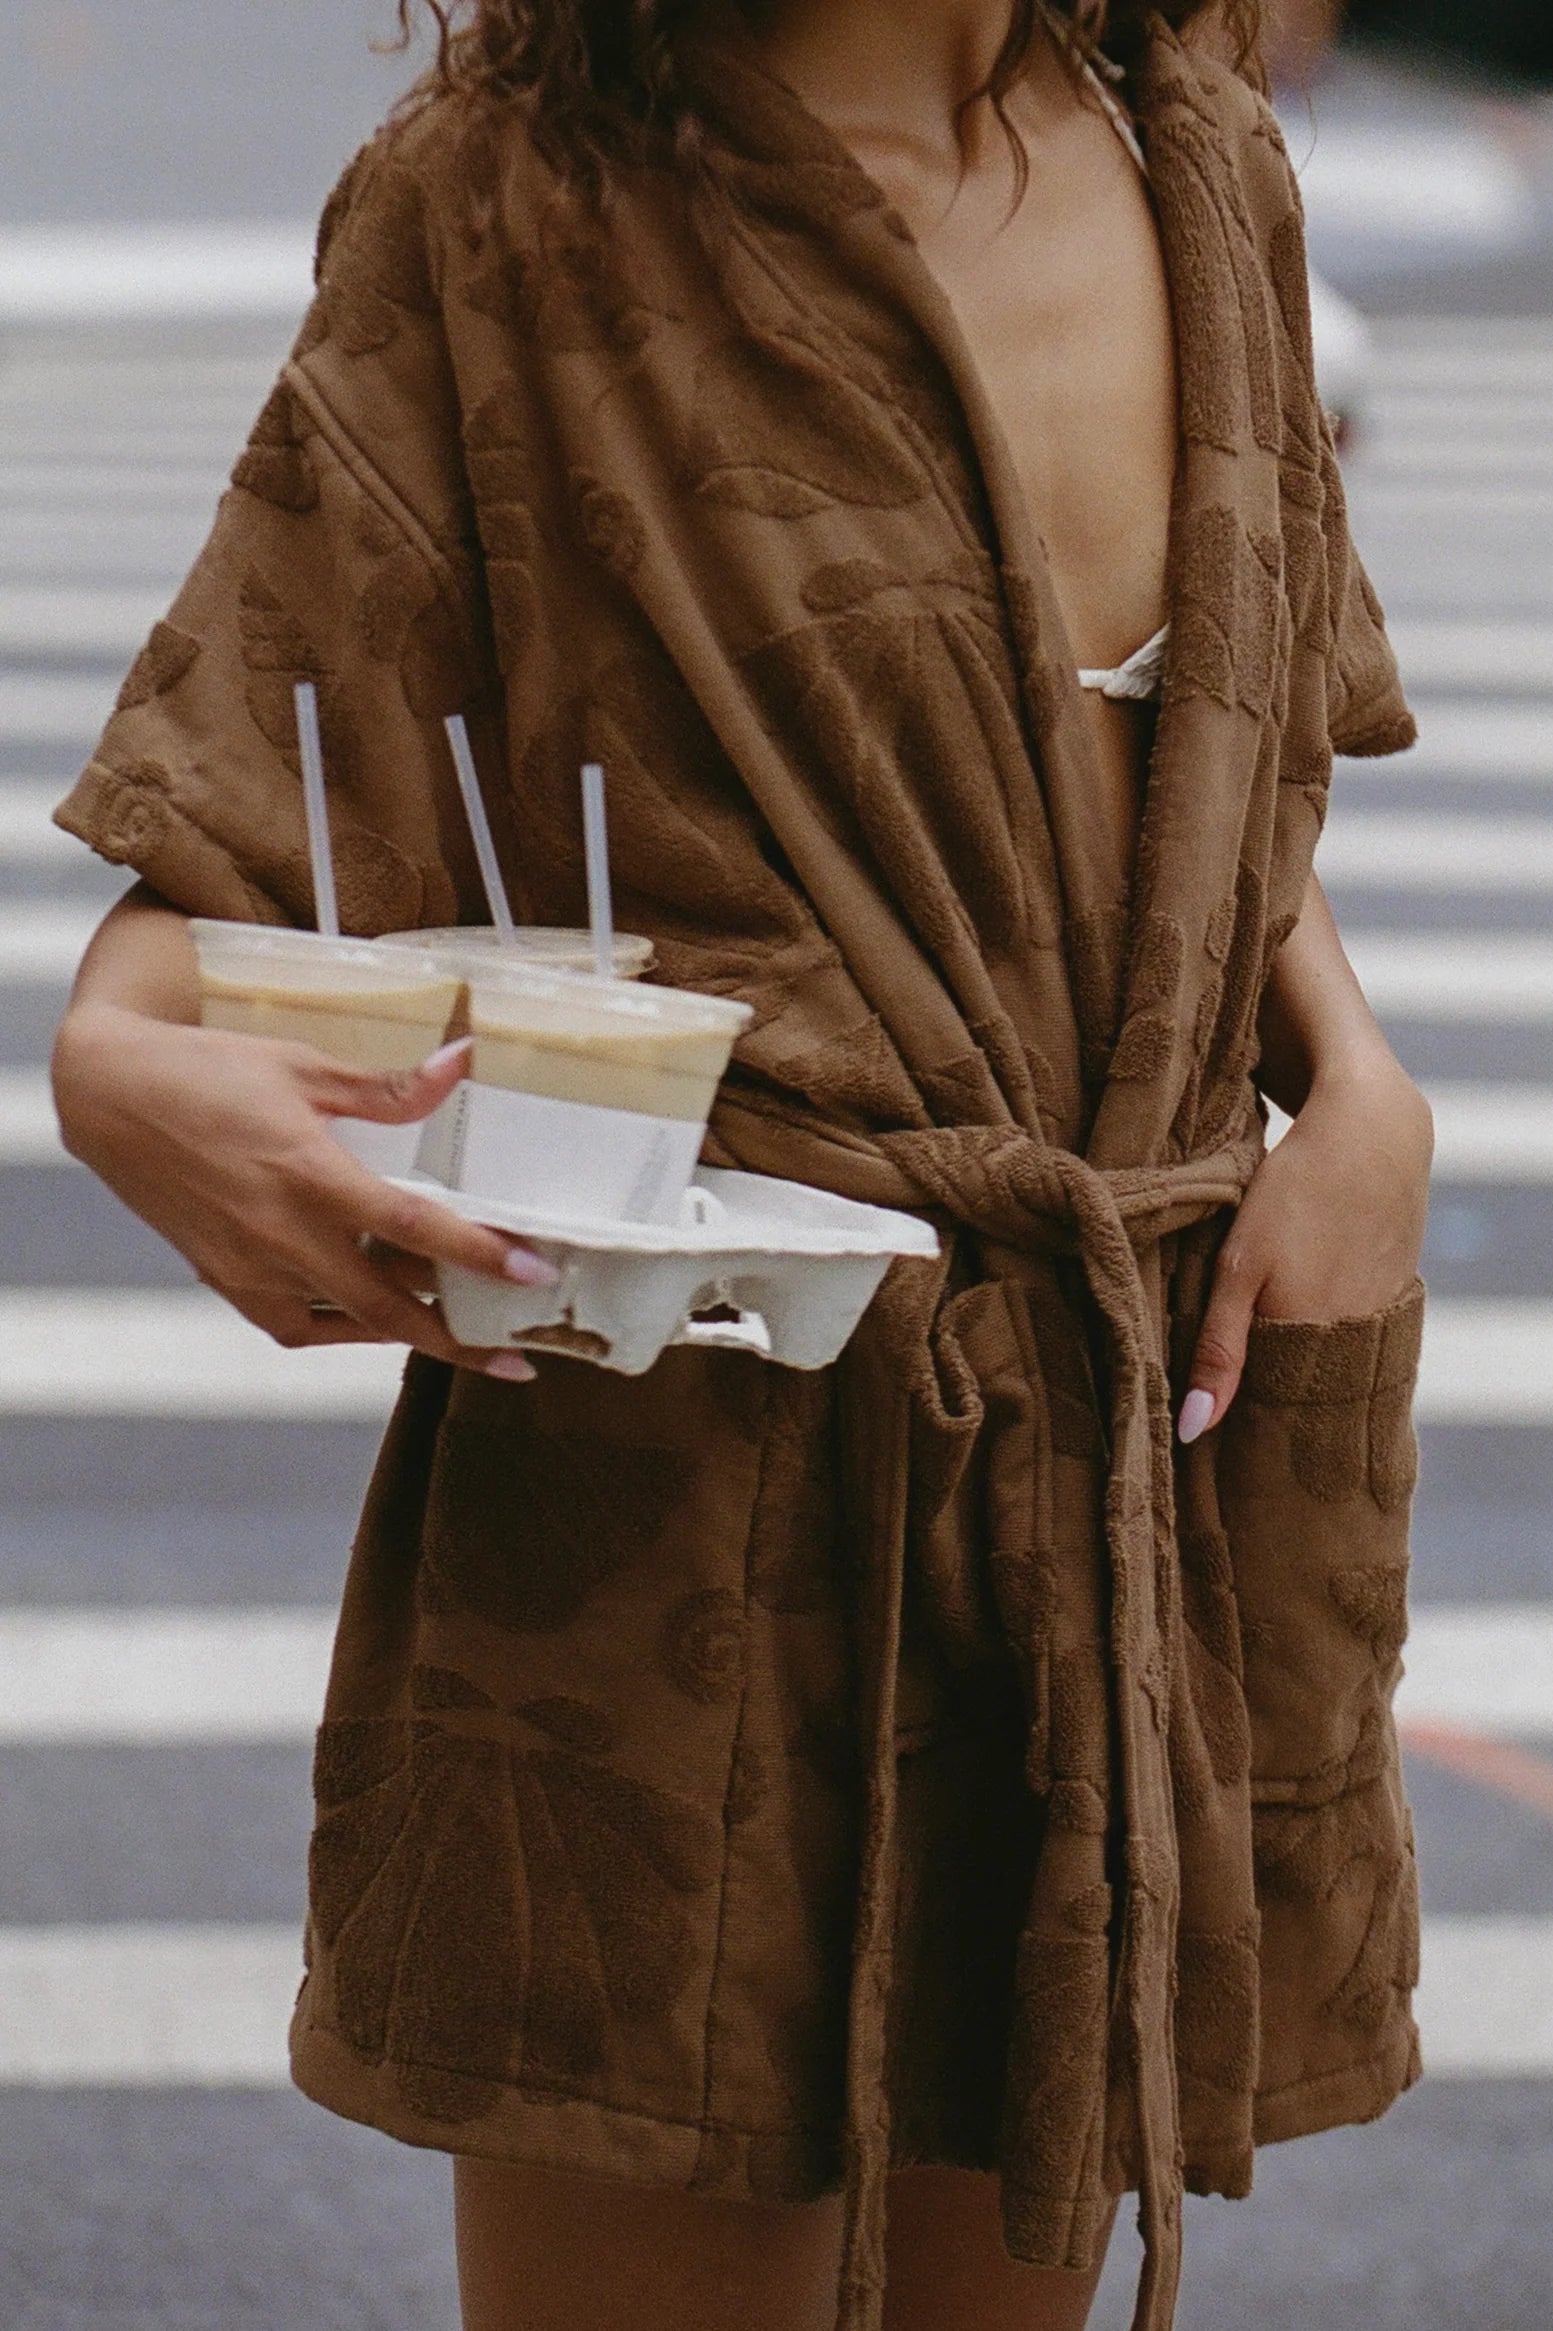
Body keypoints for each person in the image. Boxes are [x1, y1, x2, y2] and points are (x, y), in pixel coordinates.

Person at [50, 4, 1435, 2327]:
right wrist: (113, 1063)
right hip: (698, 1442)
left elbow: (1192, 746)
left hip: (1106, 1447)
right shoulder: (512, 192)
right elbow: (244, 807)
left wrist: (1362, 1086)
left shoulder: (1201, 165)